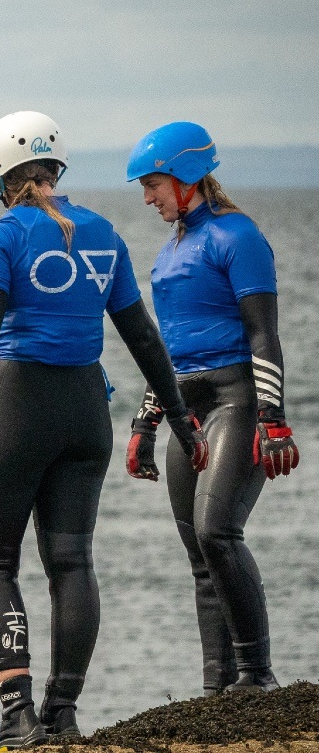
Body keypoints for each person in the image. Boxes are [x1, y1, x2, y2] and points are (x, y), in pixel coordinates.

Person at [0, 111, 208, 753]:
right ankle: (65, 712)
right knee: (72, 558)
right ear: (57, 168)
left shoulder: (6, 234)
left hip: (19, 402)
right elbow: (142, 337)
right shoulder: (104, 233)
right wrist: (184, 423)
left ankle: (19, 717)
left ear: (0, 176)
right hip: (85, 410)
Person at [124, 121, 299, 695]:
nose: (148, 198)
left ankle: (257, 675)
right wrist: (145, 425)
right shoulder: (168, 253)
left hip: (236, 400)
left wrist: (273, 421)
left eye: (153, 185)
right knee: (201, 555)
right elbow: (170, 355)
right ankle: (216, 689)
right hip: (187, 409)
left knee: (218, 531)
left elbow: (263, 336)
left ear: (185, 177)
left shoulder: (237, 236)